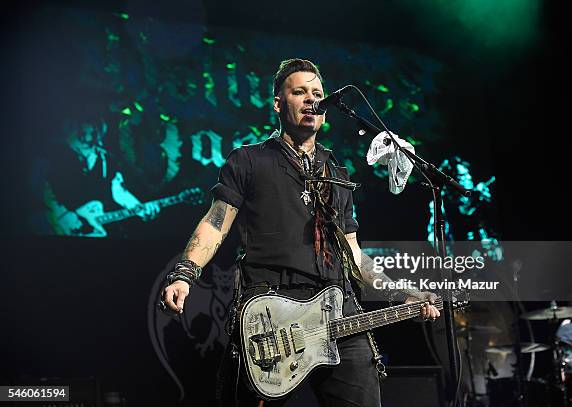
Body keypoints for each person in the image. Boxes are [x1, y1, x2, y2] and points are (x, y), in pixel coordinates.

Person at [161, 58, 440, 406]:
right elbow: (215, 223)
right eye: (300, 92)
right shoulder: (249, 160)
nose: (311, 100)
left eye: (318, 94)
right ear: (279, 103)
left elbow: (354, 255)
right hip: (272, 314)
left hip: (338, 311)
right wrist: (185, 274)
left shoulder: (337, 173)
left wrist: (404, 293)